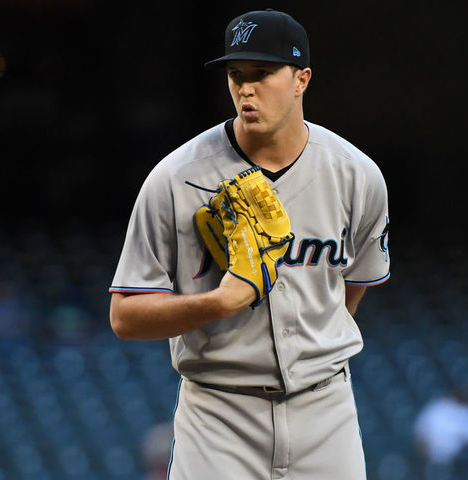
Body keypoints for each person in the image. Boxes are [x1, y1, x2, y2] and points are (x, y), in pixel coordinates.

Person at [109, 9, 390, 480]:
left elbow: (352, 289)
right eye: (237, 75)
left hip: (326, 410)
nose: (246, 88)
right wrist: (221, 302)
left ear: (301, 79)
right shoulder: (177, 178)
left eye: (262, 73)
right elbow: (125, 316)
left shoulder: (356, 174)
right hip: (219, 413)